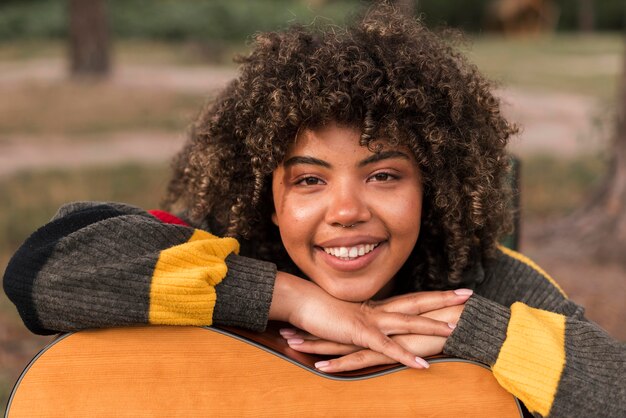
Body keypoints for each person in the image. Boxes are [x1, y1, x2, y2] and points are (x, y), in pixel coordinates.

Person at [2, 4, 624, 418]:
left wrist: (475, 334)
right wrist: (298, 301)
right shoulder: (218, 251)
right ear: (266, 196)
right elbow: (42, 272)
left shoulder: (484, 280)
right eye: (308, 180)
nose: (346, 210)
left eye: (383, 175)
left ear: (432, 186)